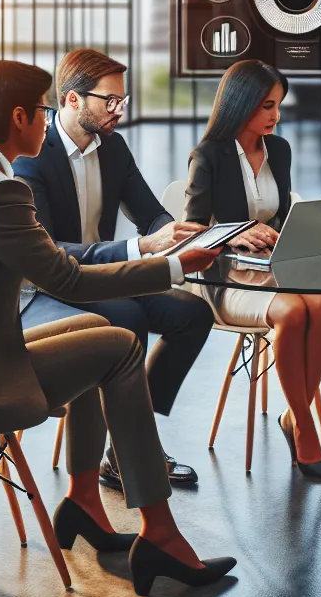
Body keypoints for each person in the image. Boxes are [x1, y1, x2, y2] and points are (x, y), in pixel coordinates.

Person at [0, 60, 233, 593]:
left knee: (100, 342)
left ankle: (83, 499)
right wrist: (173, 266)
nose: (46, 118)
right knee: (120, 346)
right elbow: (67, 279)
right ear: (19, 117)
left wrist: (167, 243)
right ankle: (158, 533)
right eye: (43, 110)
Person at [13, 48, 213, 491]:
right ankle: (128, 454)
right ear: (71, 100)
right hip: (49, 287)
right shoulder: (32, 157)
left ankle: (135, 436)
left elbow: (151, 215)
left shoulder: (113, 147)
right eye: (110, 101)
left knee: (193, 315)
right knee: (128, 317)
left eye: (124, 100)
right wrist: (142, 247)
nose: (119, 110)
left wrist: (186, 234)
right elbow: (48, 252)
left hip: (105, 277)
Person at [183, 59, 321, 480]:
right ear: (241, 104)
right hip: (224, 278)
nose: (275, 115)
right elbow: (191, 231)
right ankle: (304, 428)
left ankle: (293, 414)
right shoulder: (208, 156)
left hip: (271, 269)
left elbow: (282, 212)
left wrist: (294, 231)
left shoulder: (280, 150)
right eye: (266, 105)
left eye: (278, 105)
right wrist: (233, 233)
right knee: (292, 312)